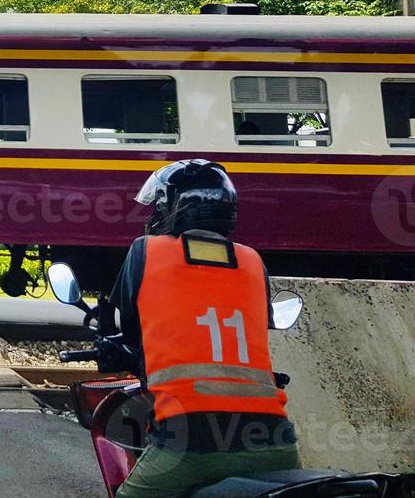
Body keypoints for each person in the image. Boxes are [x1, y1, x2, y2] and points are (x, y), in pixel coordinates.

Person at [104, 158, 301, 498]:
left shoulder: (146, 251)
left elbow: (128, 329)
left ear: (172, 207)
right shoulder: (253, 261)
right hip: (275, 443)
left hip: (190, 443)